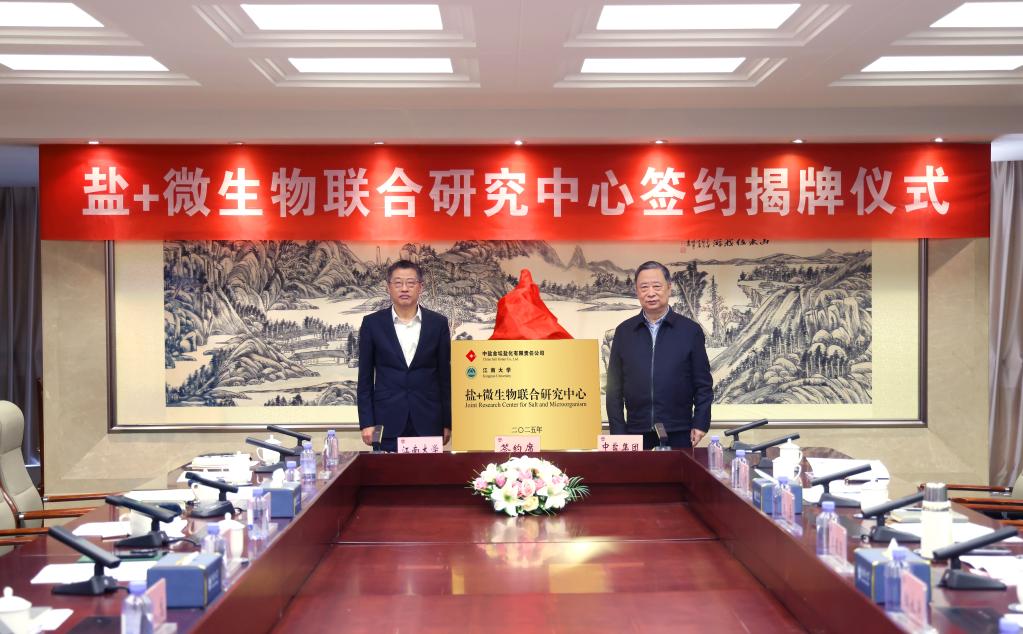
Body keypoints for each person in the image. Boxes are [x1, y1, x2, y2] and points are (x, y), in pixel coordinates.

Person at [605, 261, 713, 450]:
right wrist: (618, 431)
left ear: (669, 288)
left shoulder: (690, 331)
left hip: (680, 430)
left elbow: (703, 384)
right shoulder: (624, 332)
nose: (651, 293)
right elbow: (614, 388)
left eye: (657, 286)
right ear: (637, 291)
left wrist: (700, 422)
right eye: (644, 287)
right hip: (635, 431)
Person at [357, 260, 451, 452]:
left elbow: (445, 377)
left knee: (429, 471)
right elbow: (364, 378)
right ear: (388, 287)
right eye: (398, 283)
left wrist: (447, 421)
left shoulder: (438, 323)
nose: (404, 288)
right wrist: (366, 422)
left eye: (410, 283)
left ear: (420, 287)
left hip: (429, 419)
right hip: (386, 420)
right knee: (387, 471)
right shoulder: (372, 324)